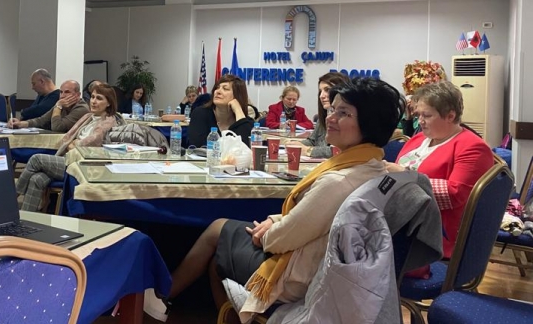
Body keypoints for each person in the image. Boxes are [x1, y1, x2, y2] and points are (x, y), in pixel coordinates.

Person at [145, 77, 404, 322]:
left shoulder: (338, 180)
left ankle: (162, 296)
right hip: (320, 264)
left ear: (369, 123)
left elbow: (285, 238)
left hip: (299, 274)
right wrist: (273, 220)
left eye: (343, 113)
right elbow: (312, 218)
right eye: (332, 110)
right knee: (217, 261)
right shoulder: (373, 167)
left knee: (217, 229)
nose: (331, 118)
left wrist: (265, 234)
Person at [388, 81, 493, 258]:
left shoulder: (473, 147)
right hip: (404, 220)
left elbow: (456, 193)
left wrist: (404, 176)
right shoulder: (418, 139)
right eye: (418, 115)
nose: (420, 121)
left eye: (427, 115)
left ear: (450, 115)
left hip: (433, 235)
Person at [15, 84, 123, 211]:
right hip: (70, 159)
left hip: (83, 166)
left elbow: (87, 144)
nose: (93, 101)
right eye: (92, 97)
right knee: (36, 179)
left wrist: (74, 144)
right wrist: (74, 144)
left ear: (109, 103)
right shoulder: (88, 117)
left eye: (99, 98)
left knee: (36, 159)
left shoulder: (108, 122)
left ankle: (12, 196)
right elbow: (66, 139)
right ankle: (27, 217)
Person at [290, 72, 350, 158]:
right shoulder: (323, 116)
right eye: (320, 91)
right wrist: (296, 144)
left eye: (327, 90)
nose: (321, 96)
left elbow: (339, 150)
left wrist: (309, 150)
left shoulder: (349, 118)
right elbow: (312, 141)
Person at [188, 74, 254, 147]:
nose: (218, 91)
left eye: (225, 89)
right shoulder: (200, 113)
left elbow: (246, 148)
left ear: (238, 95)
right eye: (217, 88)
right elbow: (197, 146)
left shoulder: (247, 123)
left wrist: (238, 110)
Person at [8, 80, 88, 132]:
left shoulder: (81, 109)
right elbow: (41, 120)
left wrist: (58, 107)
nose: (62, 96)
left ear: (78, 95)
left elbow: (57, 128)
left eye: (67, 92)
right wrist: (20, 124)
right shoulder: (62, 104)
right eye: (61, 92)